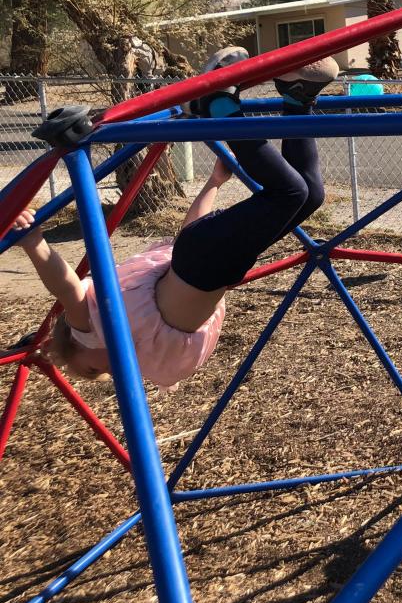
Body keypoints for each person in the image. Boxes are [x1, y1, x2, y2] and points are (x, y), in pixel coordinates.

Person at [9, 50, 338, 390]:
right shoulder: (140, 342)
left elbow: (64, 285)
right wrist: (213, 184)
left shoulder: (89, 325)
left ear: (70, 343)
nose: (103, 371)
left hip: (203, 259)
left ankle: (218, 107)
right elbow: (186, 235)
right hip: (210, 258)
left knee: (289, 194)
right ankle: (296, 99)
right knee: (310, 196)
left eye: (89, 370)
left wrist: (34, 242)